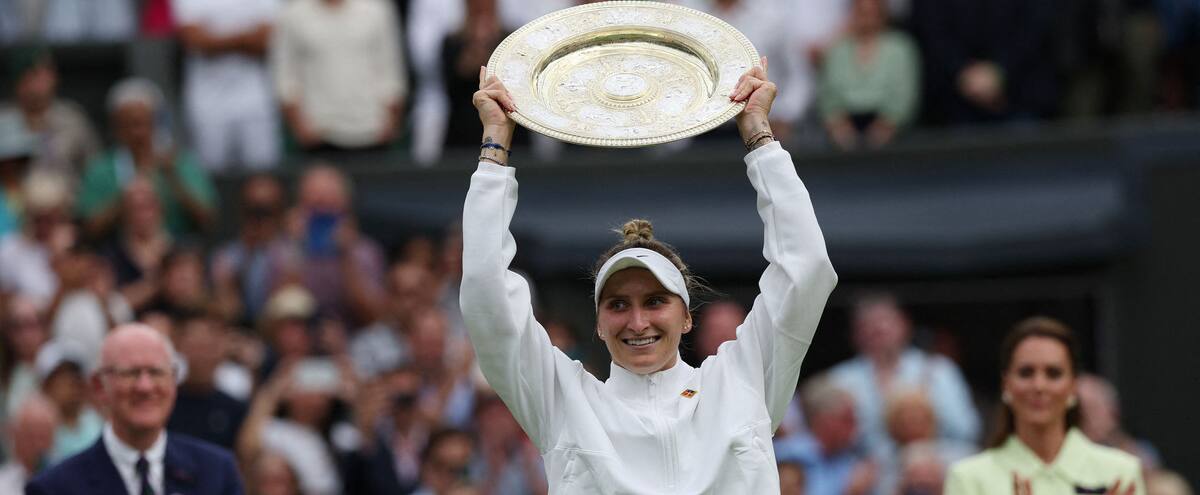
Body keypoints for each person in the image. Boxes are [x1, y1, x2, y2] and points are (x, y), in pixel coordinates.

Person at [461, 59, 838, 492]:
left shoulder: (743, 378)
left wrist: (760, 139)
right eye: (618, 305)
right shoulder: (564, 402)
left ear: (688, 316)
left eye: (655, 301)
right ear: (599, 326)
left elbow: (805, 268)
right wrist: (495, 144)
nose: (637, 322)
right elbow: (485, 294)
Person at [25, 323, 244, 494]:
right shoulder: (55, 488)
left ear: (174, 382)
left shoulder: (217, 473)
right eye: (130, 373)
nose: (145, 387)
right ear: (99, 387)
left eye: (156, 372)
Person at [945, 316, 1144, 494]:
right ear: (1006, 384)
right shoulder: (968, 478)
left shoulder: (1120, 472)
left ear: (1073, 386)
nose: (1039, 386)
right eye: (1026, 373)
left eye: (1053, 373)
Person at [828, 292, 979, 456]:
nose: (879, 330)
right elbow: (825, 443)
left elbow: (967, 431)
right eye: (868, 325)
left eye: (886, 321)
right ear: (854, 334)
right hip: (868, 472)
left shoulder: (938, 370)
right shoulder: (839, 380)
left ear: (905, 324)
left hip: (934, 465)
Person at [76, 78, 217, 239]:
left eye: (142, 123)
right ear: (115, 127)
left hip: (176, 250)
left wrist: (174, 178)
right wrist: (126, 200)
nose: (137, 133)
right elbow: (89, 228)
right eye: (128, 125)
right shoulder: (100, 170)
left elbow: (207, 219)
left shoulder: (180, 163)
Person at [271, 0, 407, 151]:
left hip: (372, 131)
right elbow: (286, 77)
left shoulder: (378, 9)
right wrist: (300, 127)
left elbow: (391, 71)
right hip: (319, 133)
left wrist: (390, 121)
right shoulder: (293, 13)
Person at [174, 0, 283, 172]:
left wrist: (215, 40)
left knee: (263, 173)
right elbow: (195, 42)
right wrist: (245, 38)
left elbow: (265, 41)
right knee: (210, 172)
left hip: (255, 97)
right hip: (208, 100)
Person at [819, 0, 920, 150]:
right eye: (861, 12)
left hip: (894, 136)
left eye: (872, 13)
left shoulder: (900, 48)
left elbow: (904, 94)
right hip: (843, 134)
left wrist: (887, 126)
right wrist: (838, 126)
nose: (866, 18)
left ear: (882, 14)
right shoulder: (837, 50)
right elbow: (827, 94)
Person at [0, 48, 100, 176]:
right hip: (14, 194)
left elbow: (94, 168)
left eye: (47, 72)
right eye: (32, 73)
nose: (39, 81)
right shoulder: (3, 118)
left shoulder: (72, 118)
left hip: (66, 193)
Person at [0, 394, 58, 493]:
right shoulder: (2, 483)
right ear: (15, 435)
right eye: (30, 436)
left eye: (43, 436)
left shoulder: (66, 479)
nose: (38, 445)